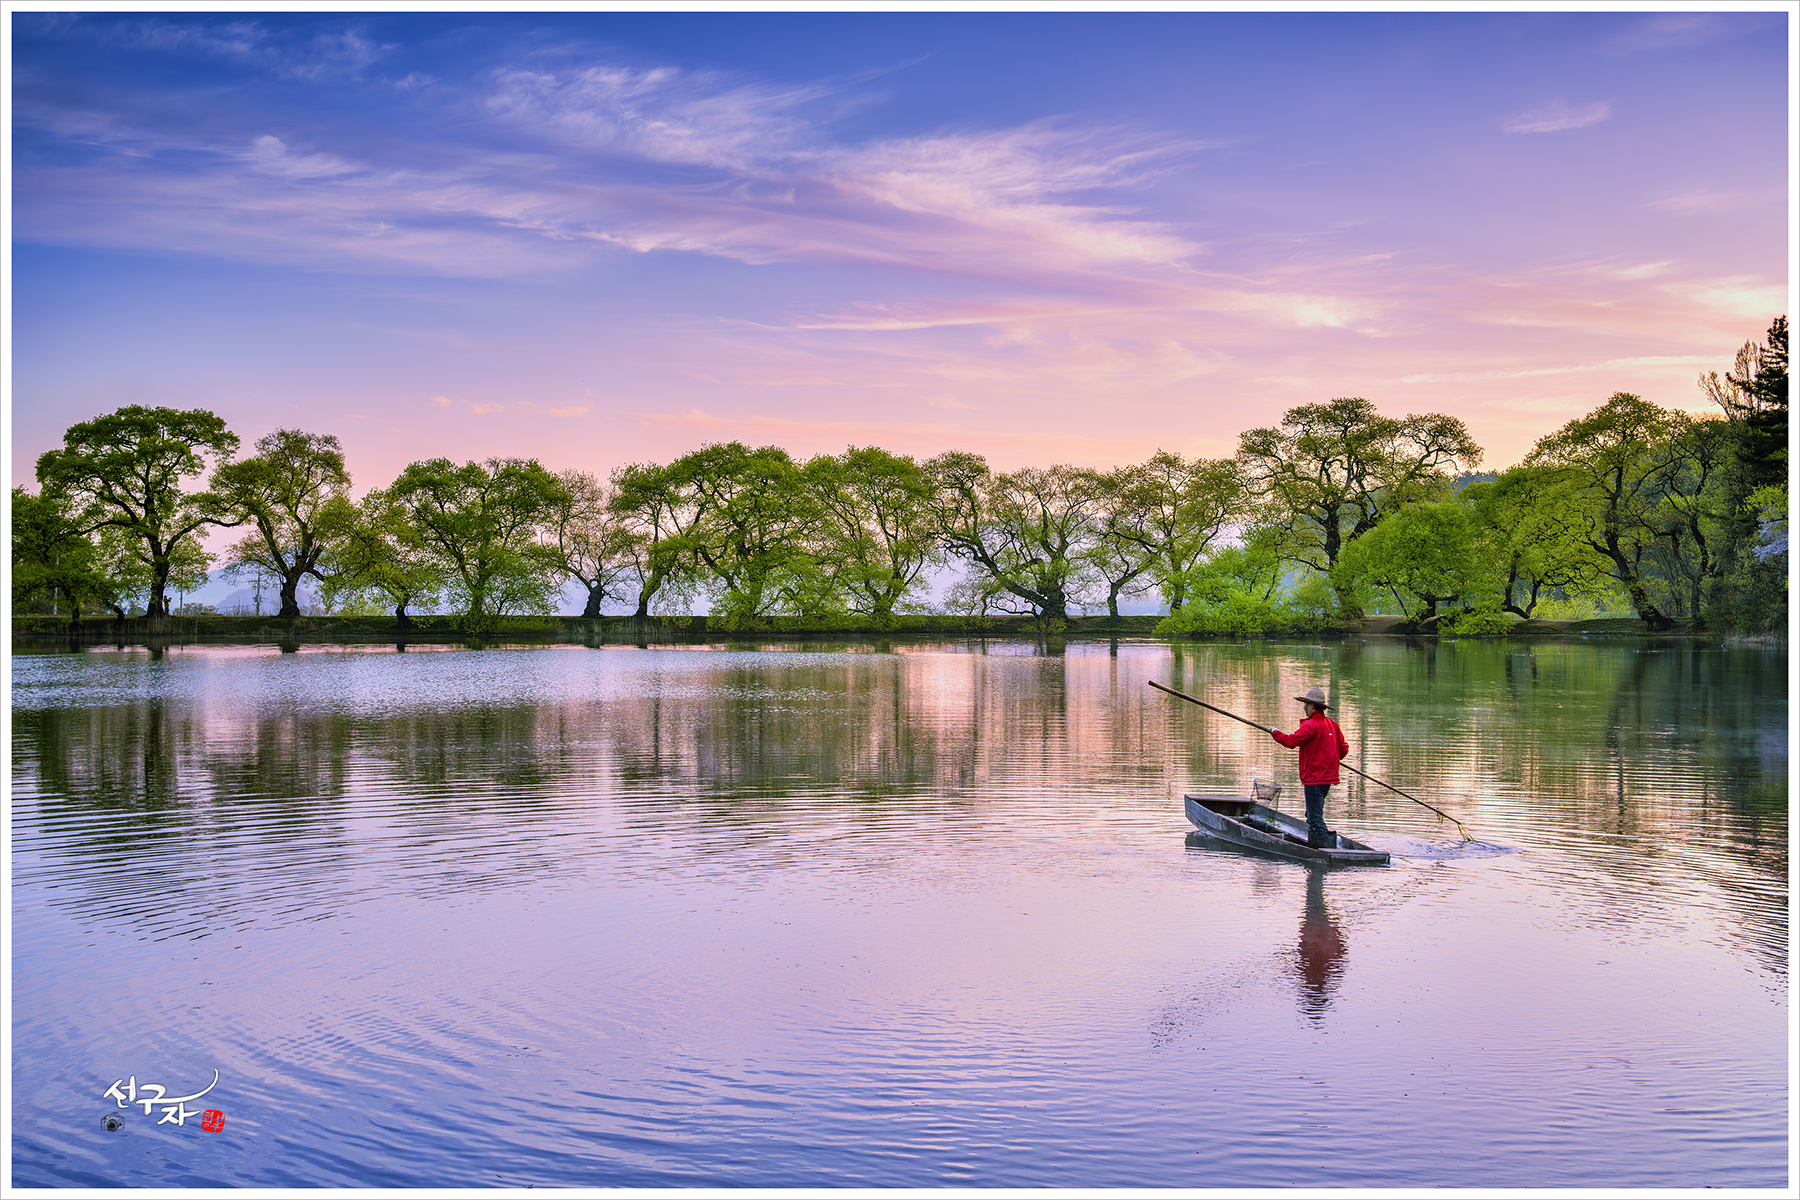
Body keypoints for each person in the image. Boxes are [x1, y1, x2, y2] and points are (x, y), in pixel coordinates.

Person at [1270, 686, 1349, 848]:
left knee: (1314, 818)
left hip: (1314, 779)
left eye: (1305, 704)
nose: (1303, 707)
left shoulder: (1311, 725)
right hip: (1327, 779)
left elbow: (1291, 742)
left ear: (1312, 706)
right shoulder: (1333, 725)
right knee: (1313, 813)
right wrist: (1331, 760)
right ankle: (1316, 846)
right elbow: (1344, 748)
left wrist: (1275, 733)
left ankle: (1326, 850)